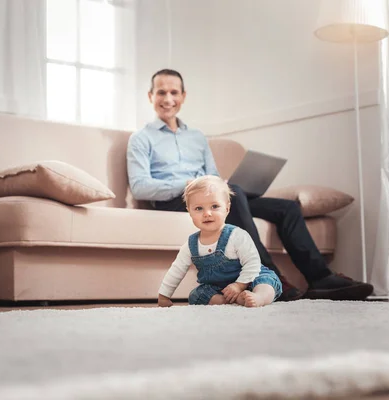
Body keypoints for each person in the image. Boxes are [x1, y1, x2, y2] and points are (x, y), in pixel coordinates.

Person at [127, 68, 374, 301]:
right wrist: (189, 184)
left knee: (285, 209)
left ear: (183, 96)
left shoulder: (197, 137)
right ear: (151, 96)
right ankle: (268, 277)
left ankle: (320, 278)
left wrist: (219, 185)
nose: (168, 99)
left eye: (174, 92)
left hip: (211, 198)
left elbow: (212, 174)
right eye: (161, 92)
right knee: (236, 195)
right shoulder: (141, 138)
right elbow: (140, 187)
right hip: (178, 202)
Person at [158, 175, 282, 308]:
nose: (207, 214)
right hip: (220, 289)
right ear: (189, 212)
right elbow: (176, 270)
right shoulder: (190, 244)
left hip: (250, 280)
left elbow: (253, 263)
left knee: (266, 281)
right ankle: (230, 300)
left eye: (214, 206)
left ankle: (259, 298)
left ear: (227, 208)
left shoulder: (237, 235)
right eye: (199, 208)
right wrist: (164, 295)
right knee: (196, 295)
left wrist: (239, 285)